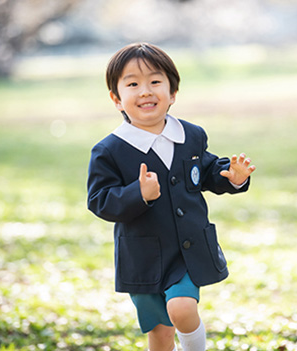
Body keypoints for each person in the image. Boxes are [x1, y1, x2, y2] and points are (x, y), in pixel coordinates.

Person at [87, 42, 256, 351]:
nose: (145, 91)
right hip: (143, 257)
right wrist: (138, 193)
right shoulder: (109, 150)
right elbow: (99, 199)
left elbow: (205, 171)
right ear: (117, 99)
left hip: (186, 249)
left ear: (173, 93)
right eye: (133, 84)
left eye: (155, 81)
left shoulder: (190, 135)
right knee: (161, 332)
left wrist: (231, 177)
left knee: (181, 308)